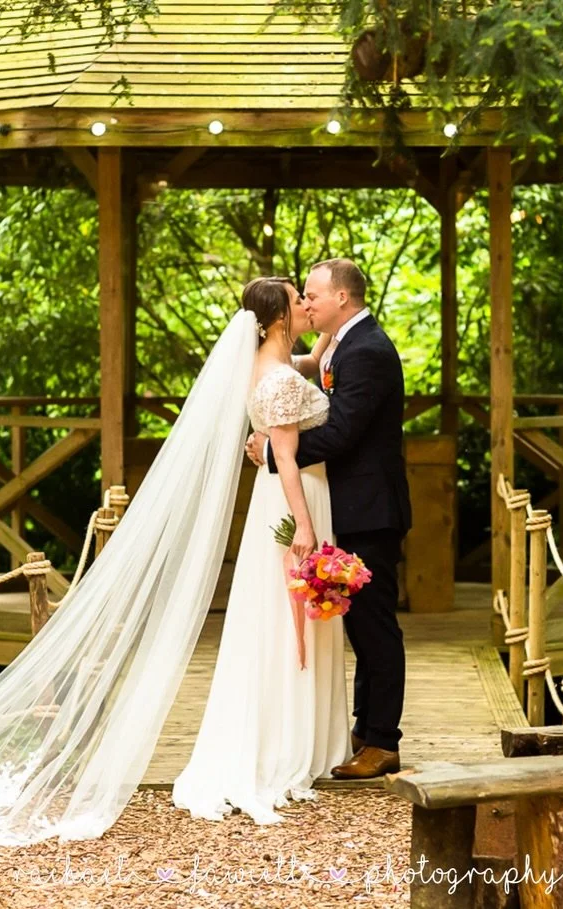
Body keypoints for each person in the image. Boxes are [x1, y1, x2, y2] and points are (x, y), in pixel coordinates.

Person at [171, 276, 351, 824]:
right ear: (277, 320)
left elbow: (301, 366)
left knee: (286, 616)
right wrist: (302, 524)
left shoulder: (275, 367)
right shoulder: (276, 382)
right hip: (294, 500)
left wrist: (323, 342)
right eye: (299, 302)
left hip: (285, 495)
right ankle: (283, 744)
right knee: (287, 618)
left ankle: (300, 734)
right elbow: (288, 457)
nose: (306, 306)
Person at [245, 257, 411, 780]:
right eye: (302, 297)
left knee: (375, 626)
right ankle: (366, 729)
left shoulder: (369, 352)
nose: (308, 303)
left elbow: (341, 435)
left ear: (342, 297)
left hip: (370, 508)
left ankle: (383, 741)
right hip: (350, 506)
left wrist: (274, 453)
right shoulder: (341, 344)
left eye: (313, 295)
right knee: (360, 626)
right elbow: (304, 371)